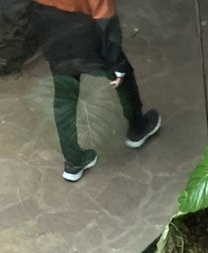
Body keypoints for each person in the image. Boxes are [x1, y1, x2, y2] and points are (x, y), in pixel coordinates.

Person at [30, 0, 161, 182]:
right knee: (123, 79)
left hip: (53, 38)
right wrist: (117, 62)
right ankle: (137, 128)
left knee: (64, 98)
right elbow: (105, 18)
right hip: (87, 40)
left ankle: (73, 161)